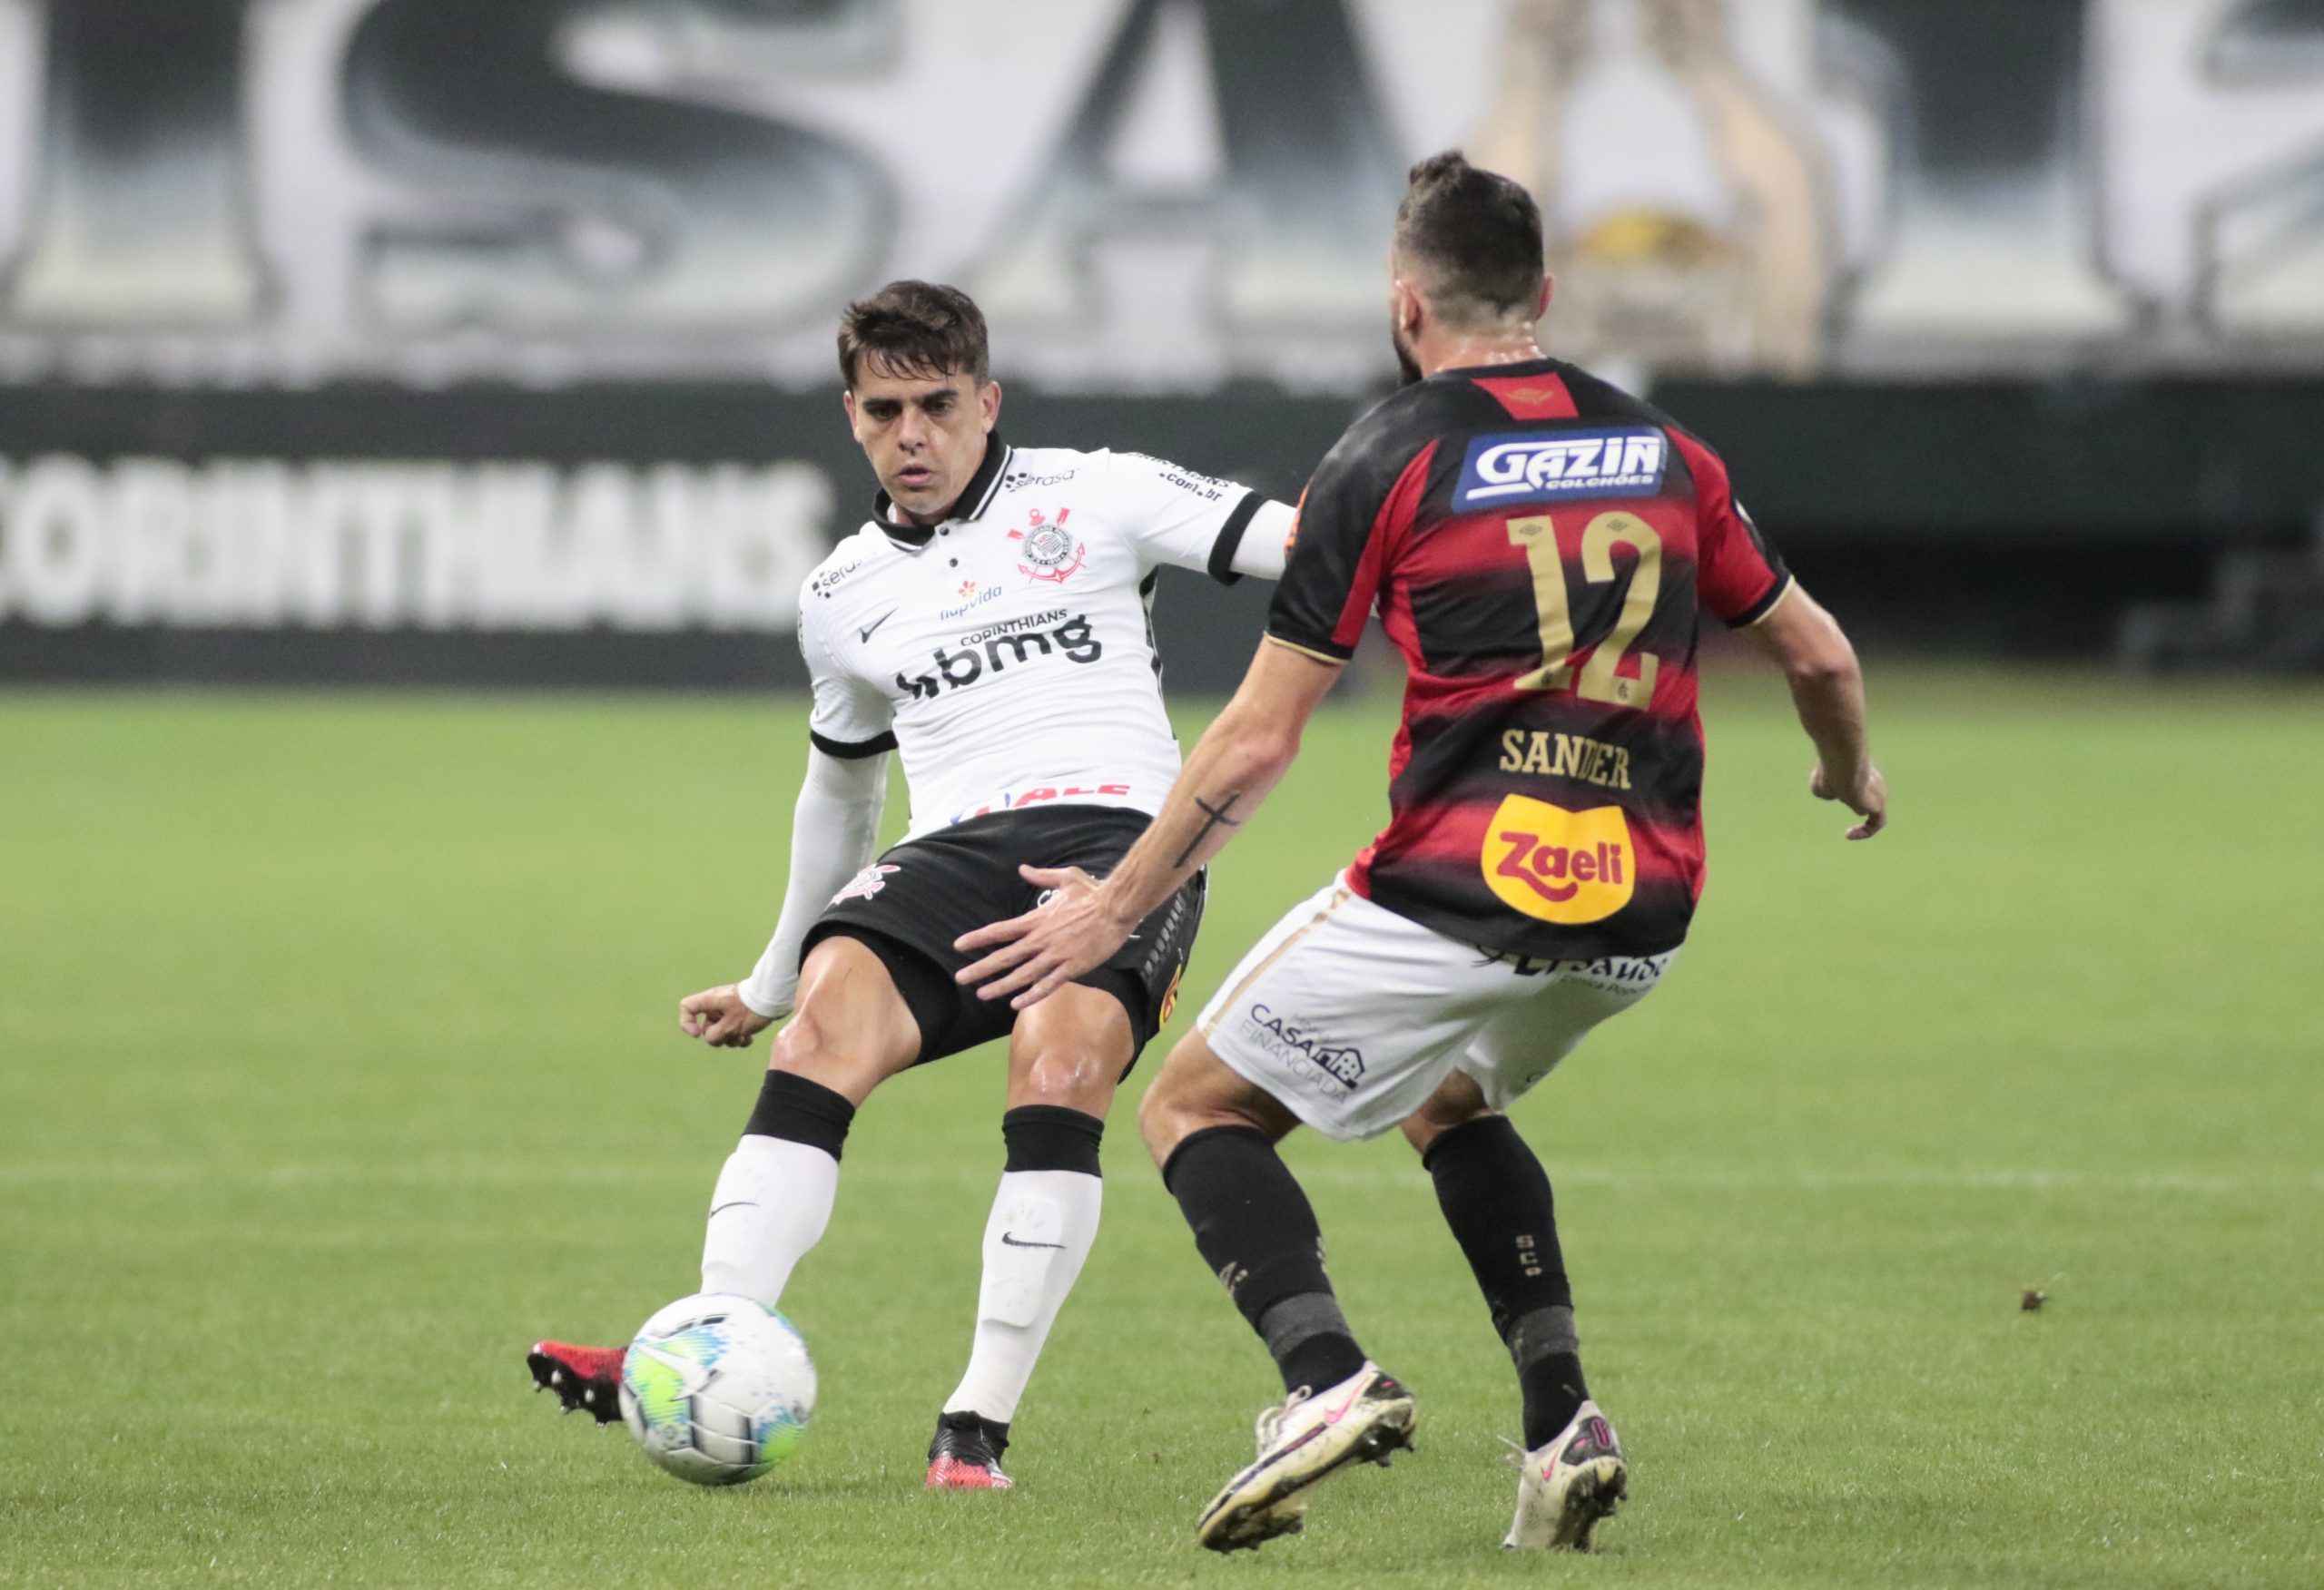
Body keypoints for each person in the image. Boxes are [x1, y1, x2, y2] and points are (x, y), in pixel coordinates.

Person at [952, 152, 1886, 1551]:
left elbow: (1258, 741)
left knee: (1193, 1108)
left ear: (1406, 306)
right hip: (1641, 910)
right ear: (1546, 297)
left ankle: (1324, 1381)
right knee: (1448, 1097)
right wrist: (1842, 764)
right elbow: (1816, 647)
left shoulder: (1388, 456)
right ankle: (1563, 1421)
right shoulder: (1666, 452)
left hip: (1455, 890)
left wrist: (1118, 908)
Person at [527, 280, 1294, 1490]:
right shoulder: (840, 595)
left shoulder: (1097, 492)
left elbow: (1301, 547)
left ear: (988, 401)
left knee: (1057, 1064)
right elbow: (840, 795)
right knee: (820, 1036)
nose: (915, 434)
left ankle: (974, 1426)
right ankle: (705, 1349)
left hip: (1115, 843)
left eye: (940, 404)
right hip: (951, 849)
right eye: (886, 411)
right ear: (852, 417)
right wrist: (774, 978)